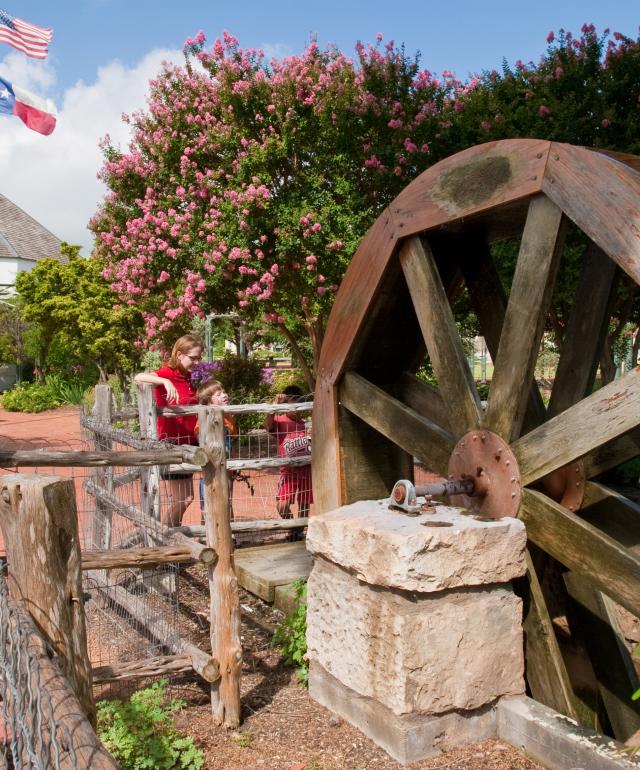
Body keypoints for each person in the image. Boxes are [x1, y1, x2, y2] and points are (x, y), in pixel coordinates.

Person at [134, 334, 202, 527]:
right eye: (193, 358)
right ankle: (167, 536)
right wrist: (165, 382)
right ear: (179, 355)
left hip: (188, 443)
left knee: (186, 498)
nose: (196, 362)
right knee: (183, 499)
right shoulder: (168, 373)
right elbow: (138, 377)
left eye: (198, 358)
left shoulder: (186, 376)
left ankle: (173, 537)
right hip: (172, 443)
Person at [265, 385, 313, 523]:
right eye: (291, 403)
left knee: (304, 504)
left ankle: (297, 530)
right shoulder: (280, 420)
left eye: (298, 403)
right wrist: (274, 406)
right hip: (288, 471)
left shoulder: (306, 425)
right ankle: (292, 525)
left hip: (305, 470)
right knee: (282, 505)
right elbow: (268, 425)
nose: (295, 407)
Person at [195, 379, 237, 518]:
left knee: (227, 501)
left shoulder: (229, 417)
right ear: (208, 402)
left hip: (226, 470)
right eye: (218, 394)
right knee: (206, 505)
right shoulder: (204, 418)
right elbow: (199, 437)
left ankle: (231, 535)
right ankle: (204, 535)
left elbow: (233, 442)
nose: (224, 395)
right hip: (210, 471)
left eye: (224, 392)